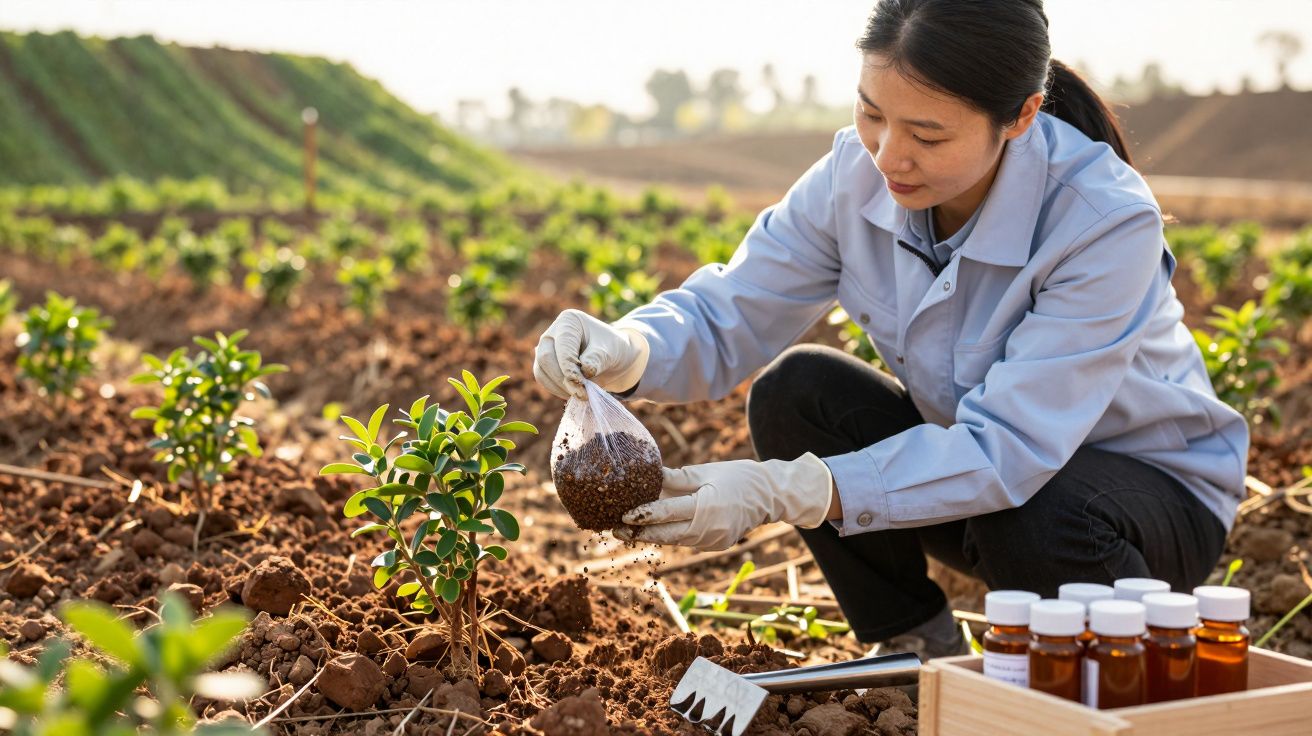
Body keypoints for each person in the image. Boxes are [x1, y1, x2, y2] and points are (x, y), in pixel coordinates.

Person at [532, 0, 1247, 660]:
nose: (888, 156)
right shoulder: (853, 175)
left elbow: (1011, 448)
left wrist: (780, 491)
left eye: (928, 135)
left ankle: (1098, 666)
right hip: (985, 490)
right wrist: (630, 347)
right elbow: (735, 306)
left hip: (1140, 507)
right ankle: (914, 643)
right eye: (872, 114)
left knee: (1034, 507)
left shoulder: (1101, 220)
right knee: (798, 393)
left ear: (1022, 116)